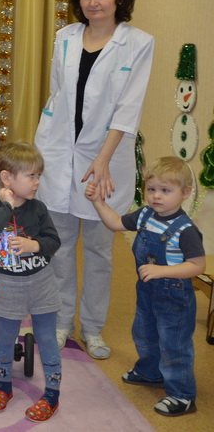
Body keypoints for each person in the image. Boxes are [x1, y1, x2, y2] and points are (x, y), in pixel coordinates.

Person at [34, 0, 154, 359]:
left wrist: (102, 160)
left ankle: (93, 328)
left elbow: (128, 109)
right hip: (59, 152)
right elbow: (57, 97)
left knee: (100, 250)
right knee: (60, 246)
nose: (93, 1)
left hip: (107, 159)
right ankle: (62, 322)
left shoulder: (138, 43)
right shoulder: (65, 37)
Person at [87, 157, 204, 418]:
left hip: (175, 296)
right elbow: (116, 223)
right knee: (144, 333)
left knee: (174, 345)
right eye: (151, 189)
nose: (156, 196)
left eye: (165, 190)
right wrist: (98, 203)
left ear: (185, 193)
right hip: (148, 291)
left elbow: (197, 265)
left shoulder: (185, 230)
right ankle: (151, 372)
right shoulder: (145, 215)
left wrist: (163, 270)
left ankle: (182, 395)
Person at [0, 141, 62, 423]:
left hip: (41, 282)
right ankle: (3, 387)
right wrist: (7, 205)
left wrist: (34, 245)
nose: (37, 181)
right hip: (9, 284)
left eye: (39, 175)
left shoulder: (38, 209)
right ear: (6, 177)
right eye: (31, 175)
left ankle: (52, 394)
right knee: (4, 337)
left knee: (47, 338)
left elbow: (53, 241)